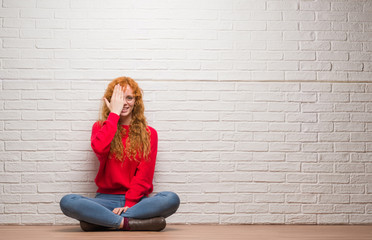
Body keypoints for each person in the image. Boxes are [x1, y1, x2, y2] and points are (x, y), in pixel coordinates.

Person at [59, 76, 180, 231]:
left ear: (136, 101)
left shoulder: (150, 134)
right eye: (119, 98)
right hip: (105, 200)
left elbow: (145, 176)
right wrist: (114, 114)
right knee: (68, 201)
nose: (124, 103)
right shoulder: (100, 127)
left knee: (170, 199)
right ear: (110, 101)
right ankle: (127, 223)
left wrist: (129, 204)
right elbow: (99, 148)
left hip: (137, 201)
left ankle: (102, 220)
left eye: (129, 98)